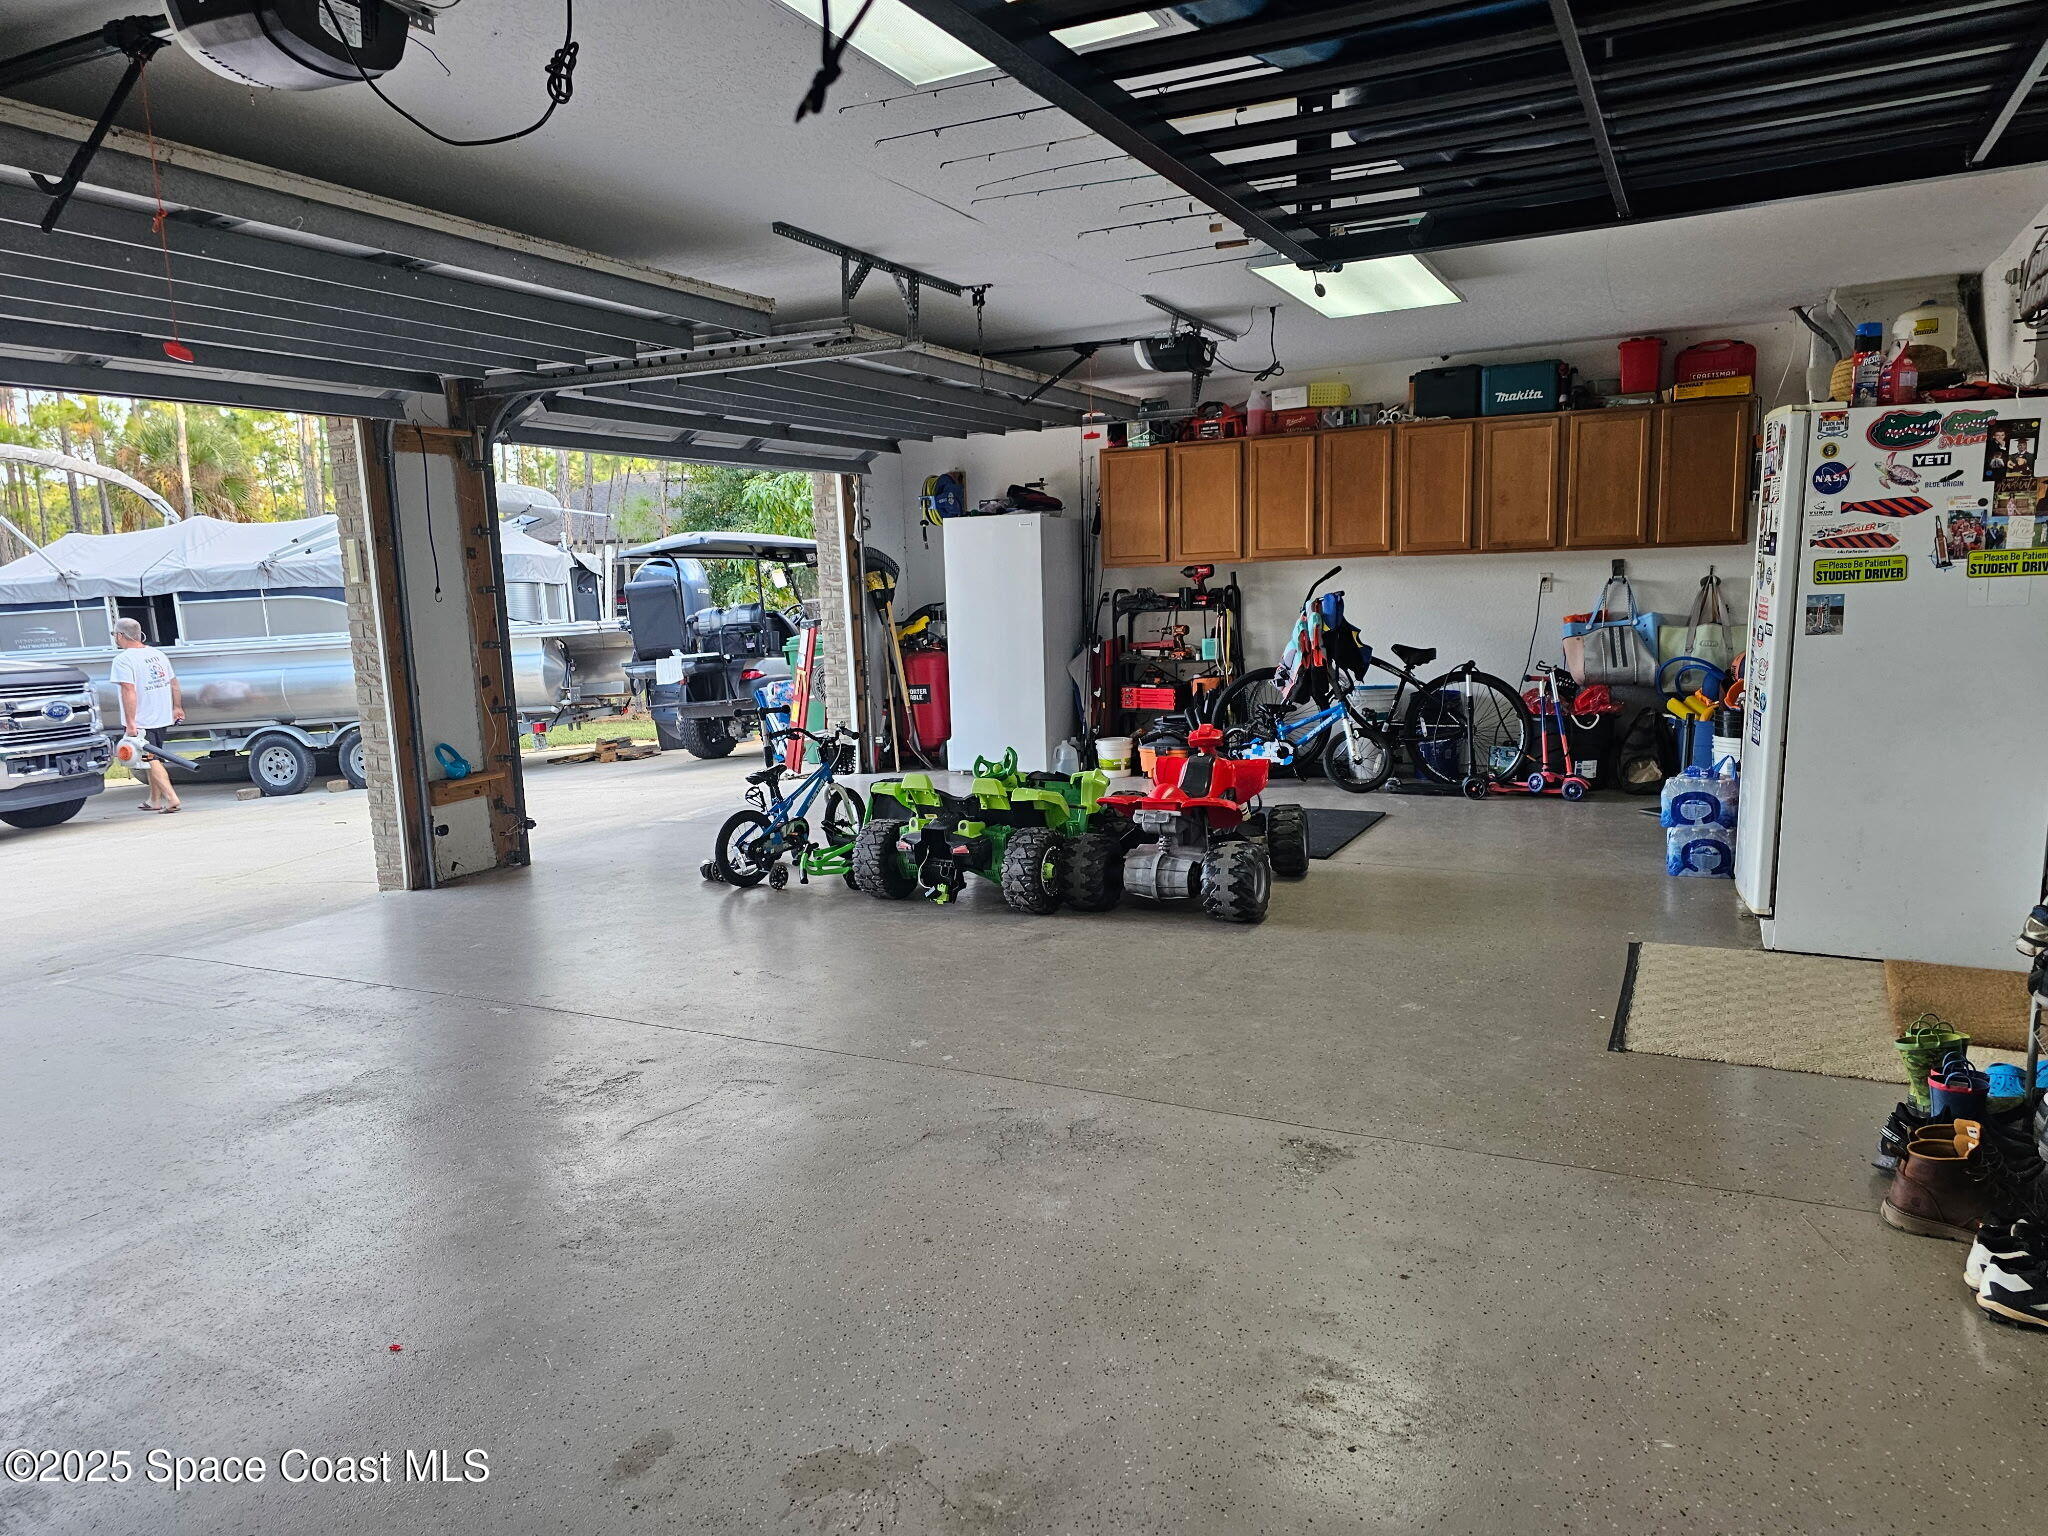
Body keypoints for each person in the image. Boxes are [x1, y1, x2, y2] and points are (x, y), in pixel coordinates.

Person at [110, 617, 183, 813]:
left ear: (120, 635)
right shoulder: (158, 654)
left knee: (150, 759)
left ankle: (172, 798)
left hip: (143, 720)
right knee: (153, 758)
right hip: (161, 716)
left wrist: (131, 723)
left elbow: (128, 691)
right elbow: (174, 683)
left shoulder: (123, 659)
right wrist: (177, 707)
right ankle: (154, 800)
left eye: (114, 635)